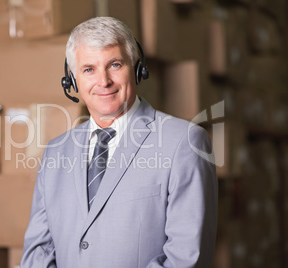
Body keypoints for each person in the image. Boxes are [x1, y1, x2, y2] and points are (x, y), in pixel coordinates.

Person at [20, 16, 218, 268]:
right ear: (72, 80)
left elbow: (188, 257)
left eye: (114, 65)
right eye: (89, 69)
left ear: (137, 69)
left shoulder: (185, 142)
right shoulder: (55, 152)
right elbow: (38, 253)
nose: (103, 81)